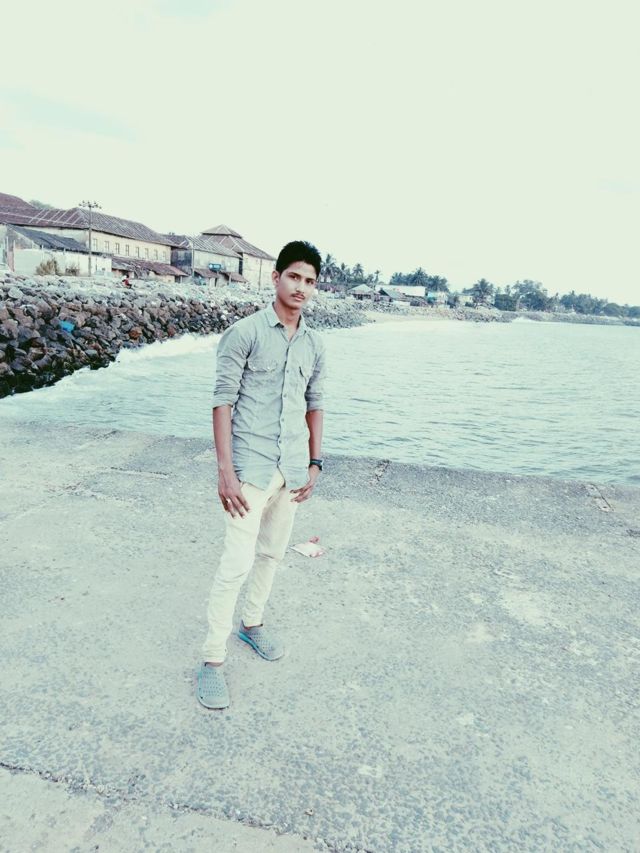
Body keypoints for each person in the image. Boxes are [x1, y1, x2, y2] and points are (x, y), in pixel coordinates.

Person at [197, 240, 326, 710]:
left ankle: (252, 625)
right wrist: (225, 473)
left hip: (291, 469)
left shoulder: (315, 344)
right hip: (249, 469)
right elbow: (222, 402)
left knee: (271, 554)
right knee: (235, 564)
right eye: (294, 276)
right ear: (276, 278)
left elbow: (315, 404)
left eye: (309, 281)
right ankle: (212, 660)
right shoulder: (244, 333)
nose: (301, 287)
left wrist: (315, 462)